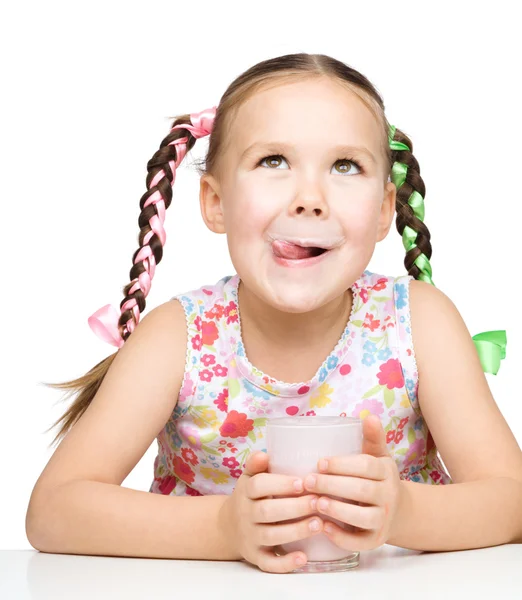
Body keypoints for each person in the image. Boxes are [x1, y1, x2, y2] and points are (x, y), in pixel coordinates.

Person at [26, 52, 522, 574]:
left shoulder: (421, 323)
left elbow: (512, 500)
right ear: (215, 201)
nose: (309, 198)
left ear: (382, 211)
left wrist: (405, 510)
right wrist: (224, 528)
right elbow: (53, 511)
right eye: (273, 161)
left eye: (345, 165)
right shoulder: (178, 337)